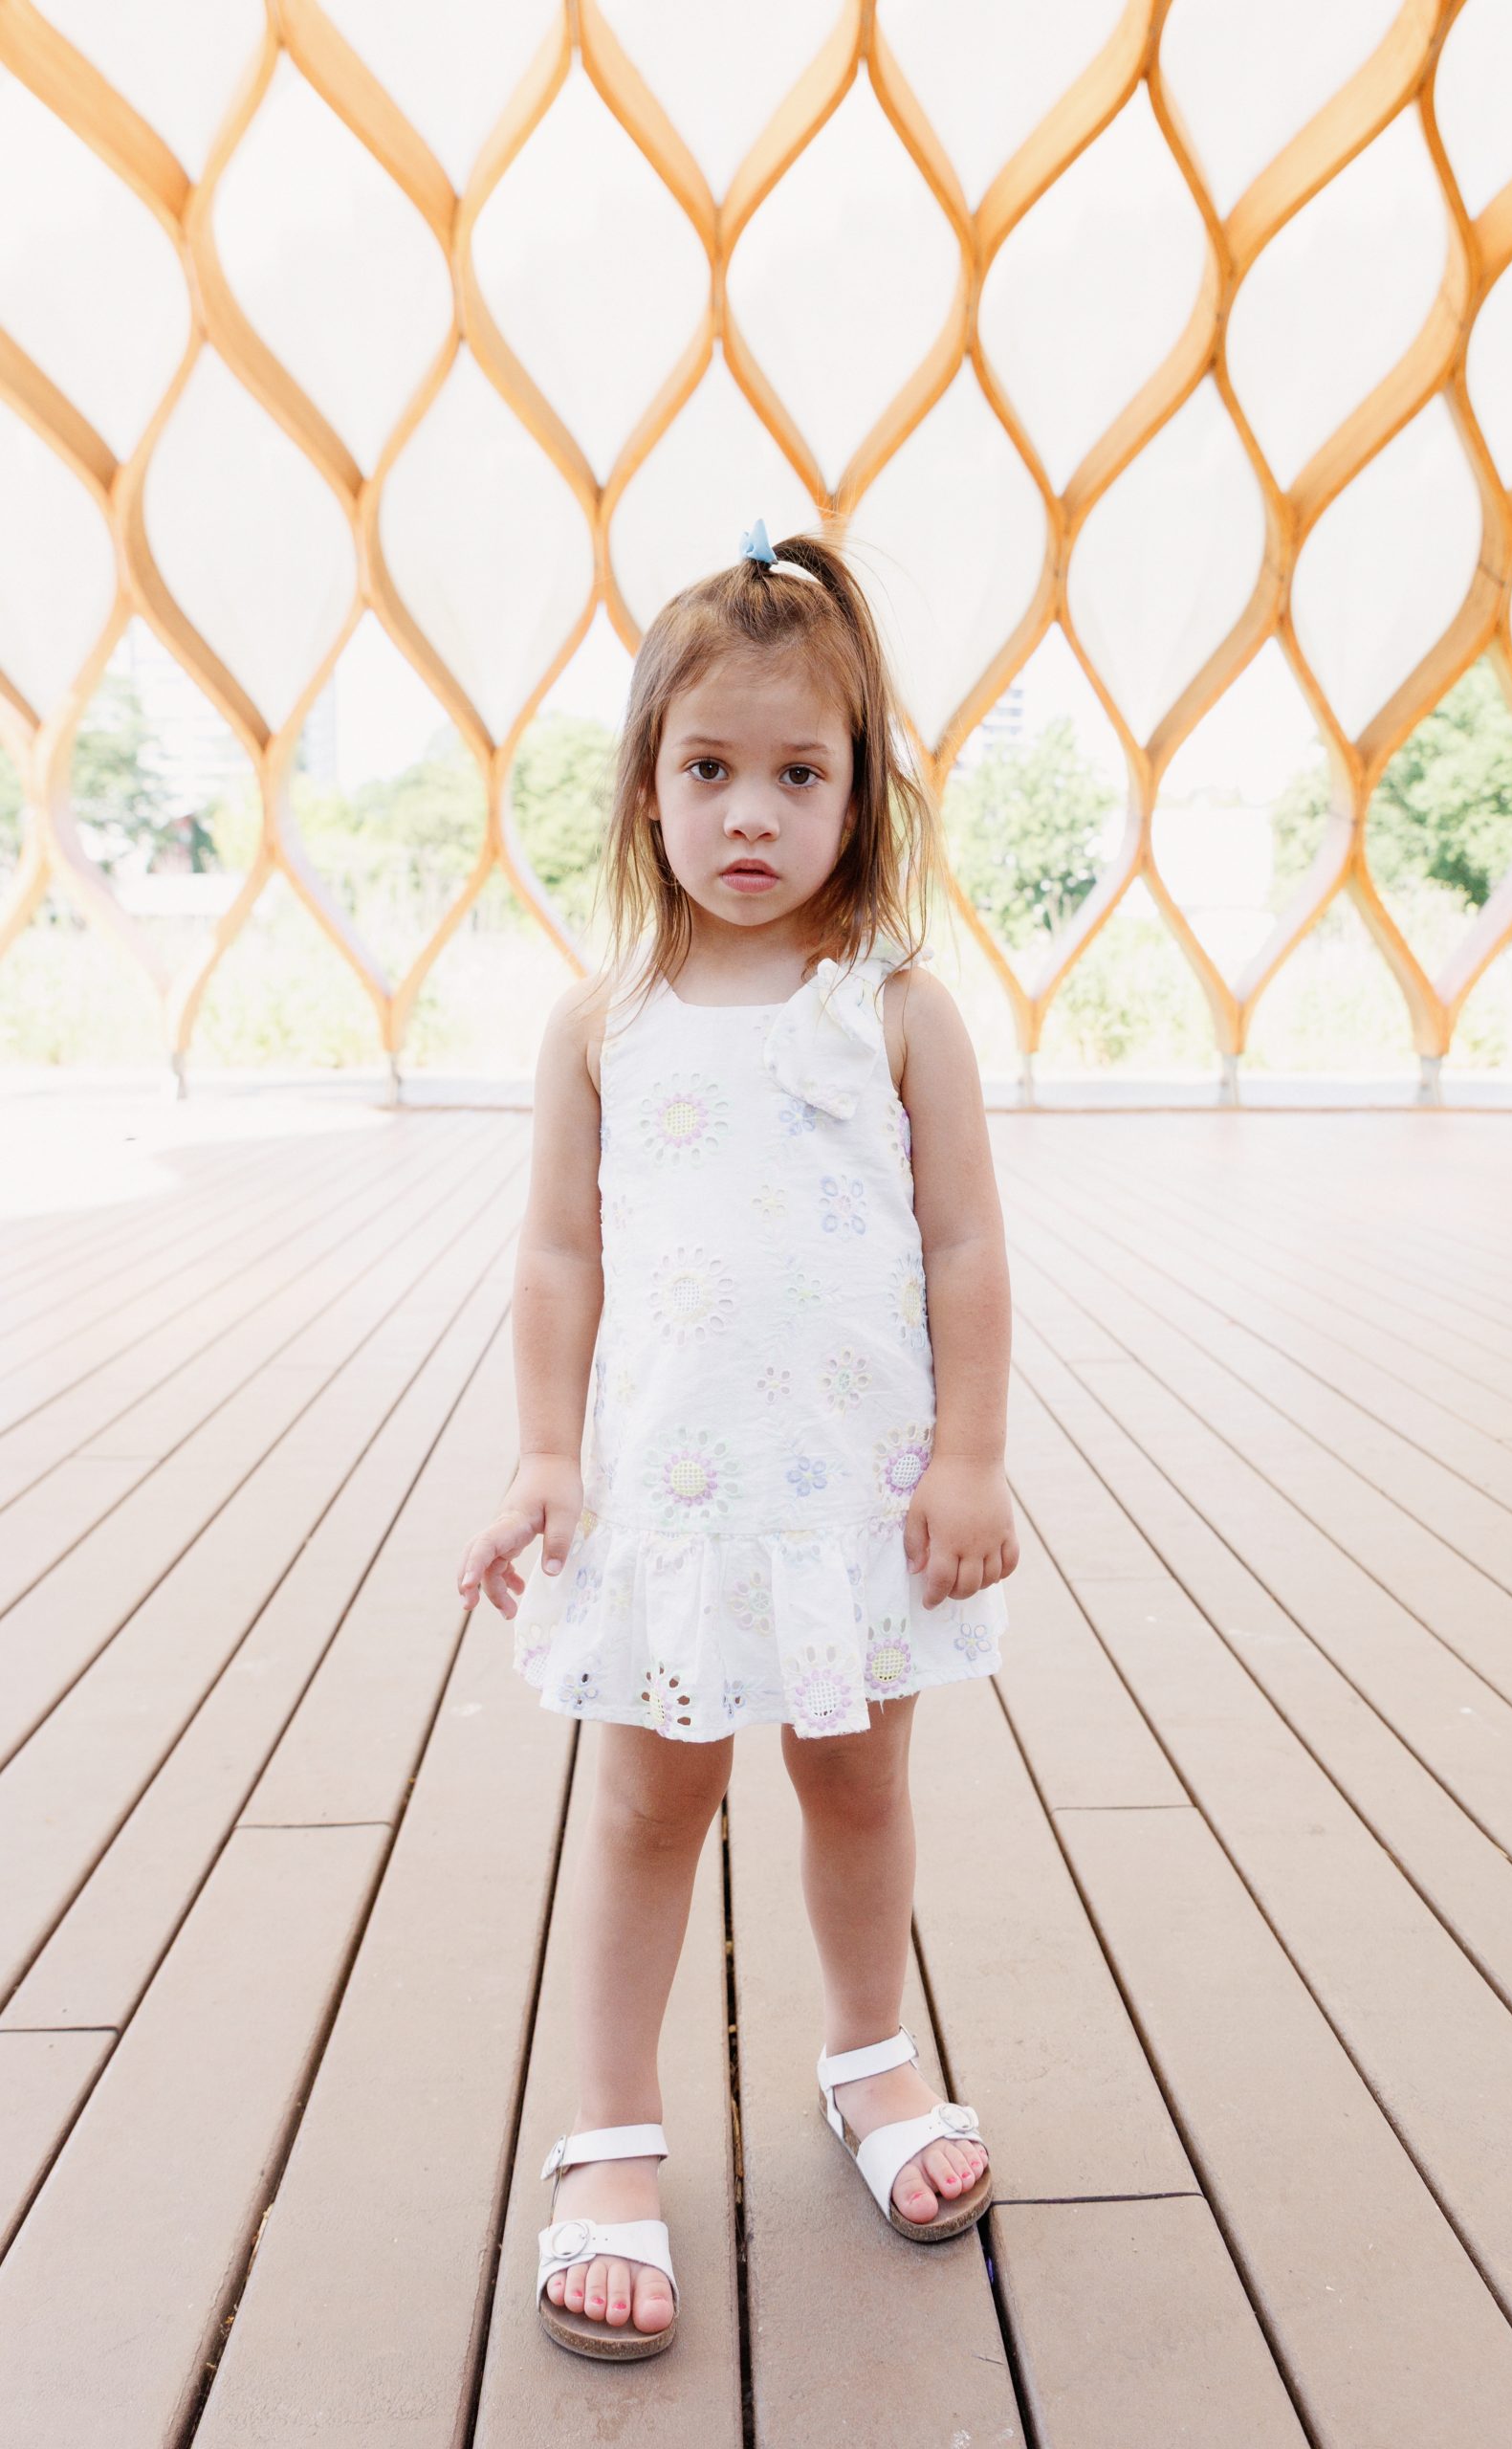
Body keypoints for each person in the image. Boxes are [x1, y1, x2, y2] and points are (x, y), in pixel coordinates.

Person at [455, 518, 1018, 2363]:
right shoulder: (601, 1025)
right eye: (708, 770)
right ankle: (612, 2133)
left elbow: (963, 1248)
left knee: (856, 1784)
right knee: (647, 1804)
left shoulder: (898, 1014)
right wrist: (546, 1457)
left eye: (798, 774)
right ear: (645, 786)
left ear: (861, 794)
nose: (750, 815)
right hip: (670, 1509)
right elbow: (560, 1255)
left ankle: (868, 2056)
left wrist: (967, 1457)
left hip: (852, 1499)